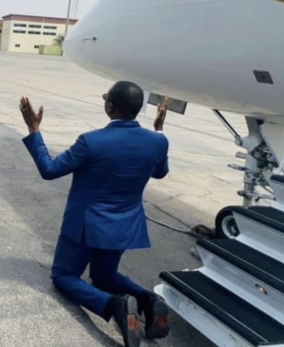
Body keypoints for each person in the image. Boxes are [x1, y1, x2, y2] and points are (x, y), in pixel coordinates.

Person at [18, 82, 171, 347]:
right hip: (124, 225)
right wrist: (158, 130)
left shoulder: (92, 141)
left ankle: (114, 306)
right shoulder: (158, 141)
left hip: (85, 225)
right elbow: (160, 172)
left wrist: (34, 129)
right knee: (104, 276)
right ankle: (149, 301)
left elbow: (49, 170)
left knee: (63, 276)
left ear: (109, 106)